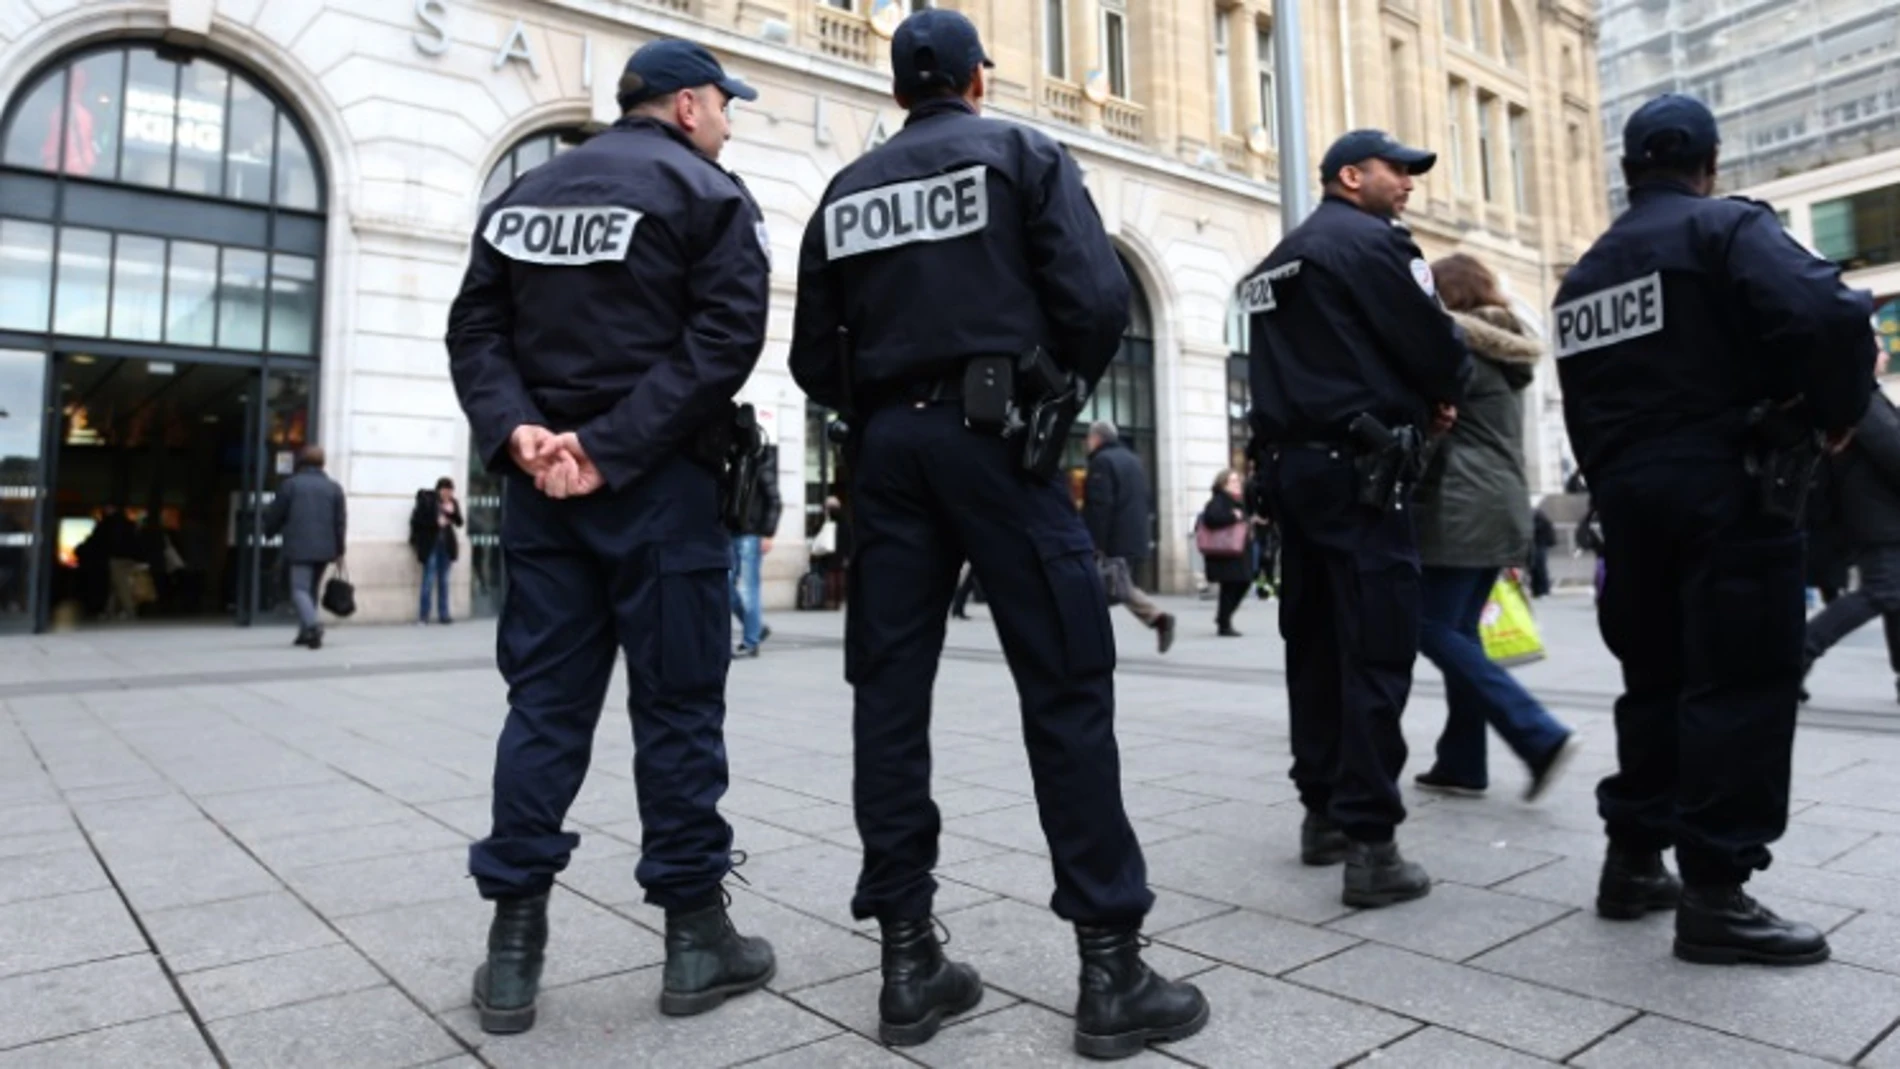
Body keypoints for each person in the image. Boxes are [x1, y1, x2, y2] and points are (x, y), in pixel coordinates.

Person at [787, 11, 1208, 1059]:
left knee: (888, 695)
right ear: (978, 79)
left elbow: (809, 355)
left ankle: (905, 963)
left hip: (885, 455)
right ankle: (1110, 967)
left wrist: (885, 402)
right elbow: (1098, 298)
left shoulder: (847, 189)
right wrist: (1041, 389)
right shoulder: (1023, 151)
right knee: (1065, 681)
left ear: (897, 93)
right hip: (998, 444)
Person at [445, 39, 776, 1035]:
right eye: (724, 104)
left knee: (543, 708)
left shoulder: (525, 196)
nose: (728, 121)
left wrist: (521, 432)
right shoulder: (706, 194)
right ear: (683, 105)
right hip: (657, 490)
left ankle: (511, 958)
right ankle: (694, 938)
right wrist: (614, 444)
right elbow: (724, 339)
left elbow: (475, 332)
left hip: (546, 492)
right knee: (676, 707)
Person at [1553, 94, 1873, 966]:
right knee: (1739, 680)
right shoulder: (1726, 228)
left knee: (1653, 677)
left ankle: (1632, 861)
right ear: (1709, 163)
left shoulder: (1583, 275)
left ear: (1628, 170)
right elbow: (1834, 314)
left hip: (1629, 498)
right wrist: (1836, 413)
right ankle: (1718, 893)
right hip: (1729, 486)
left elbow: (1579, 400)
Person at [1242, 128, 1470, 908]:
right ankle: (1372, 844)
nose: (1408, 182)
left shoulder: (1281, 259)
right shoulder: (1372, 245)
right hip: (1361, 474)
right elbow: (1436, 345)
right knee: (1374, 646)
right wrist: (1440, 391)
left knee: (1313, 645)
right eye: (1396, 170)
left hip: (1293, 472)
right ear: (1350, 176)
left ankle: (1323, 813)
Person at [1408, 253, 1578, 802]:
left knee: (1429, 628)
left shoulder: (1456, 347)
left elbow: (1432, 429)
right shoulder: (1505, 354)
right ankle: (1462, 762)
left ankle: (1537, 733)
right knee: (1461, 631)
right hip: (1502, 502)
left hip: (1460, 503)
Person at [1804, 349, 1900, 702]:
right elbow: (1894, 451)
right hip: (1879, 517)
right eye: (1877, 347)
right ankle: (1800, 652)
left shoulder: (1857, 397)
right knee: (1881, 591)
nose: (1886, 355)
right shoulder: (1861, 400)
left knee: (1894, 595)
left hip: (1877, 515)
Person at [1085, 422, 1175, 653]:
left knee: (1105, 591)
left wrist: (1094, 543)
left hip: (1113, 540)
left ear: (1096, 438)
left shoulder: (1101, 462)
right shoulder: (1133, 460)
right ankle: (1157, 620)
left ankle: (1158, 618)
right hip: (1133, 537)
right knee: (1116, 588)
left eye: (1088, 438)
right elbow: (1145, 499)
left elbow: (1100, 507)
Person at [262, 447, 346, 649]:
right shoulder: (334, 488)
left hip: (299, 546)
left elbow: (276, 513)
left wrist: (269, 531)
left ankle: (313, 625)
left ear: (301, 462)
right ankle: (305, 633)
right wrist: (340, 549)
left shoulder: (291, 485)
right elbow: (340, 521)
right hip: (326, 548)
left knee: (299, 589)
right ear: (322, 463)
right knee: (311, 590)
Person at [731, 440, 781, 656]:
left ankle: (751, 642)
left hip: (751, 534)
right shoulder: (734, 465)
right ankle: (757, 628)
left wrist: (767, 533)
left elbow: (774, 501)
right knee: (724, 586)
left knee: (749, 589)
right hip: (730, 532)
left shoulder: (760, 466)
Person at [1198, 470, 1252, 636]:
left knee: (1240, 583)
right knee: (1232, 586)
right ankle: (1224, 623)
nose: (1237, 484)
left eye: (1238, 481)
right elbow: (1212, 519)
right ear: (1223, 484)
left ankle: (1224, 618)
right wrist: (1233, 517)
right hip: (1225, 553)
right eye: (1233, 481)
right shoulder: (1219, 500)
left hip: (1235, 552)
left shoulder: (1237, 501)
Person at [410, 477, 464, 625]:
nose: (448, 494)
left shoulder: (452, 503)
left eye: (450, 491)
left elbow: (459, 522)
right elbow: (417, 522)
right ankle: (423, 615)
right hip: (431, 545)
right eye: (446, 491)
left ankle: (444, 614)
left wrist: (452, 513)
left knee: (444, 581)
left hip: (446, 546)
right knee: (428, 580)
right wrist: (436, 523)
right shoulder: (428, 502)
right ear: (439, 490)